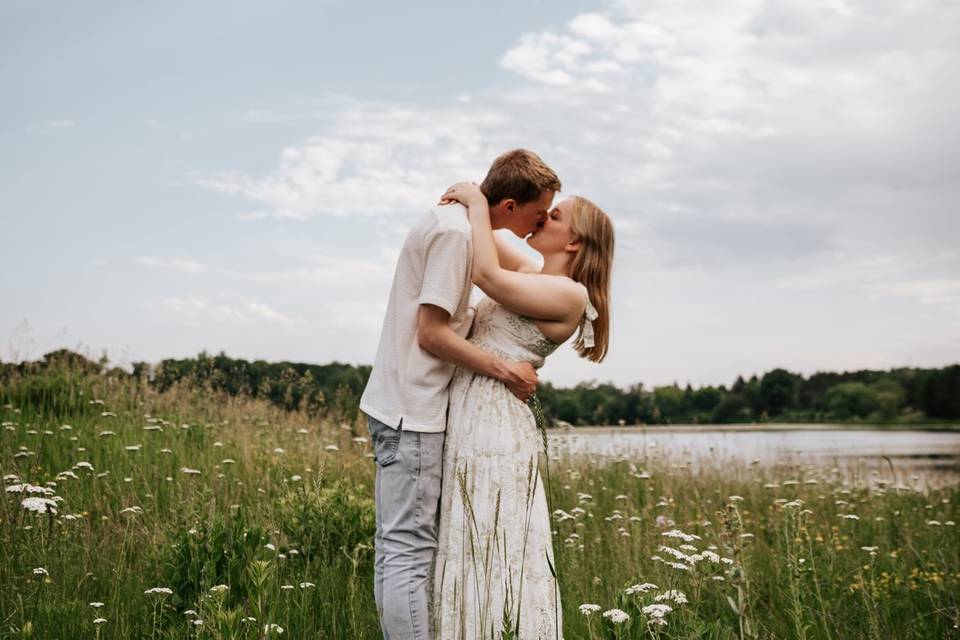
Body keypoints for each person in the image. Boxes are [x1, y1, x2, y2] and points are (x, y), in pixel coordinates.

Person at [358, 149, 562, 640]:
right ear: (510, 205)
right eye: (538, 213)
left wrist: (473, 200)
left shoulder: (461, 225)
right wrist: (506, 372)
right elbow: (431, 333)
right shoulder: (455, 234)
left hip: (406, 405)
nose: (538, 225)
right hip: (414, 410)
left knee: (399, 548)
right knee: (407, 551)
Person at [432, 181, 614, 639]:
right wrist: (492, 198)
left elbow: (486, 275)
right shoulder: (533, 271)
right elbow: (486, 237)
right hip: (470, 411)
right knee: (465, 539)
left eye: (554, 216)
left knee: (495, 541)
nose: (542, 216)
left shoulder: (570, 295)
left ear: (573, 241)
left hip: (496, 425)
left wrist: (475, 202)